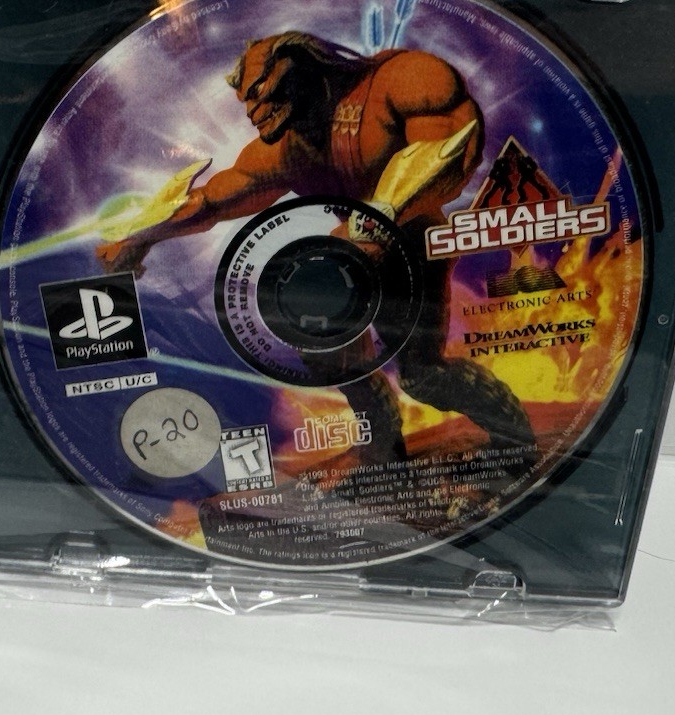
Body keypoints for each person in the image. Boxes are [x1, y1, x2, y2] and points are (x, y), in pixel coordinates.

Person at [98, 32, 537, 470]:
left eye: (260, 91)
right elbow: (211, 201)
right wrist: (139, 237)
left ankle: (515, 444)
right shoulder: (284, 152)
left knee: (424, 376)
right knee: (337, 363)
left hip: (412, 250)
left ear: (296, 67)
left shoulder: (400, 81)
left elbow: (449, 151)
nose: (253, 111)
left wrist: (374, 222)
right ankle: (383, 455)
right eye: (246, 101)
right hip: (343, 261)